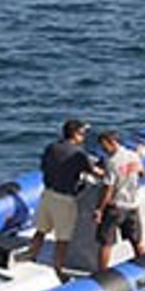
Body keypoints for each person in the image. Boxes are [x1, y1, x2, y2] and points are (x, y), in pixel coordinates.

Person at [27, 119, 99, 280]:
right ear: (75, 134)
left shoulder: (52, 147)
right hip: (65, 199)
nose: (84, 137)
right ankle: (58, 270)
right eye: (82, 134)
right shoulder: (78, 154)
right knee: (63, 238)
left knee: (41, 230)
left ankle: (31, 256)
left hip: (47, 194)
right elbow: (94, 171)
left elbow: (44, 167)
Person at [94, 130, 145, 271]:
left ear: (112, 142)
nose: (103, 150)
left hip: (116, 207)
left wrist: (99, 209)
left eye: (104, 146)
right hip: (133, 205)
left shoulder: (111, 162)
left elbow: (108, 189)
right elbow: (142, 173)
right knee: (137, 240)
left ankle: (102, 273)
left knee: (106, 243)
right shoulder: (134, 156)